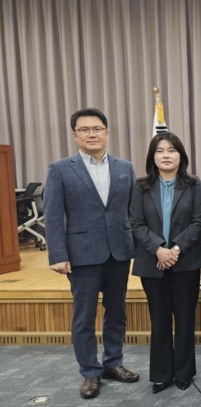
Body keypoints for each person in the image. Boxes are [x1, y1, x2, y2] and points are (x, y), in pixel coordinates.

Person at [44, 108, 140, 399]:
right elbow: (52, 215)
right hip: (81, 255)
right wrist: (57, 255)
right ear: (75, 135)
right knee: (84, 317)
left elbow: (134, 212)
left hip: (119, 252)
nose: (92, 134)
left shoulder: (125, 167)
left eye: (97, 128)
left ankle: (113, 363)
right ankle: (89, 371)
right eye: (84, 129)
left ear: (107, 133)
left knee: (117, 312)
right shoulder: (60, 169)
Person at [129, 132, 201, 394]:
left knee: (185, 319)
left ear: (180, 156)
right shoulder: (140, 186)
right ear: (152, 156)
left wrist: (174, 249)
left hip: (185, 261)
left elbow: (199, 222)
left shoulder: (194, 184)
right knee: (159, 320)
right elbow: (136, 224)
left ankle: (184, 372)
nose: (166, 155)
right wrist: (158, 250)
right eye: (160, 150)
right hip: (152, 263)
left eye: (172, 150)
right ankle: (162, 374)